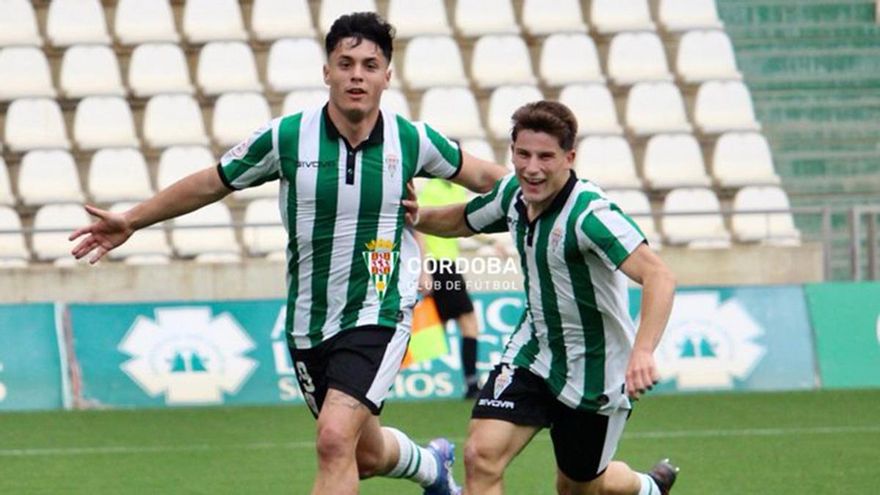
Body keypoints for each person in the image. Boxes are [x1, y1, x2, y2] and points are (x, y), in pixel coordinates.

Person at [69, 12, 506, 495]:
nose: (356, 75)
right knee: (362, 453)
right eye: (345, 63)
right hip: (308, 321)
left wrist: (552, 200)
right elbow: (213, 181)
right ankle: (432, 467)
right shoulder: (287, 137)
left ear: (387, 74)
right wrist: (132, 219)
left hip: (380, 311)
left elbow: (491, 181)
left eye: (369, 64)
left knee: (333, 440)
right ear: (326, 71)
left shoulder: (412, 140)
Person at [408, 101, 680, 495]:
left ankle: (646, 488)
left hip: (594, 369)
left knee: (579, 486)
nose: (531, 168)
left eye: (545, 157)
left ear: (569, 158)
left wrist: (643, 351)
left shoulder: (590, 214)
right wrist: (417, 216)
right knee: (480, 455)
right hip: (533, 352)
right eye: (522, 154)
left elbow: (659, 275)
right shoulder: (514, 195)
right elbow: (464, 219)